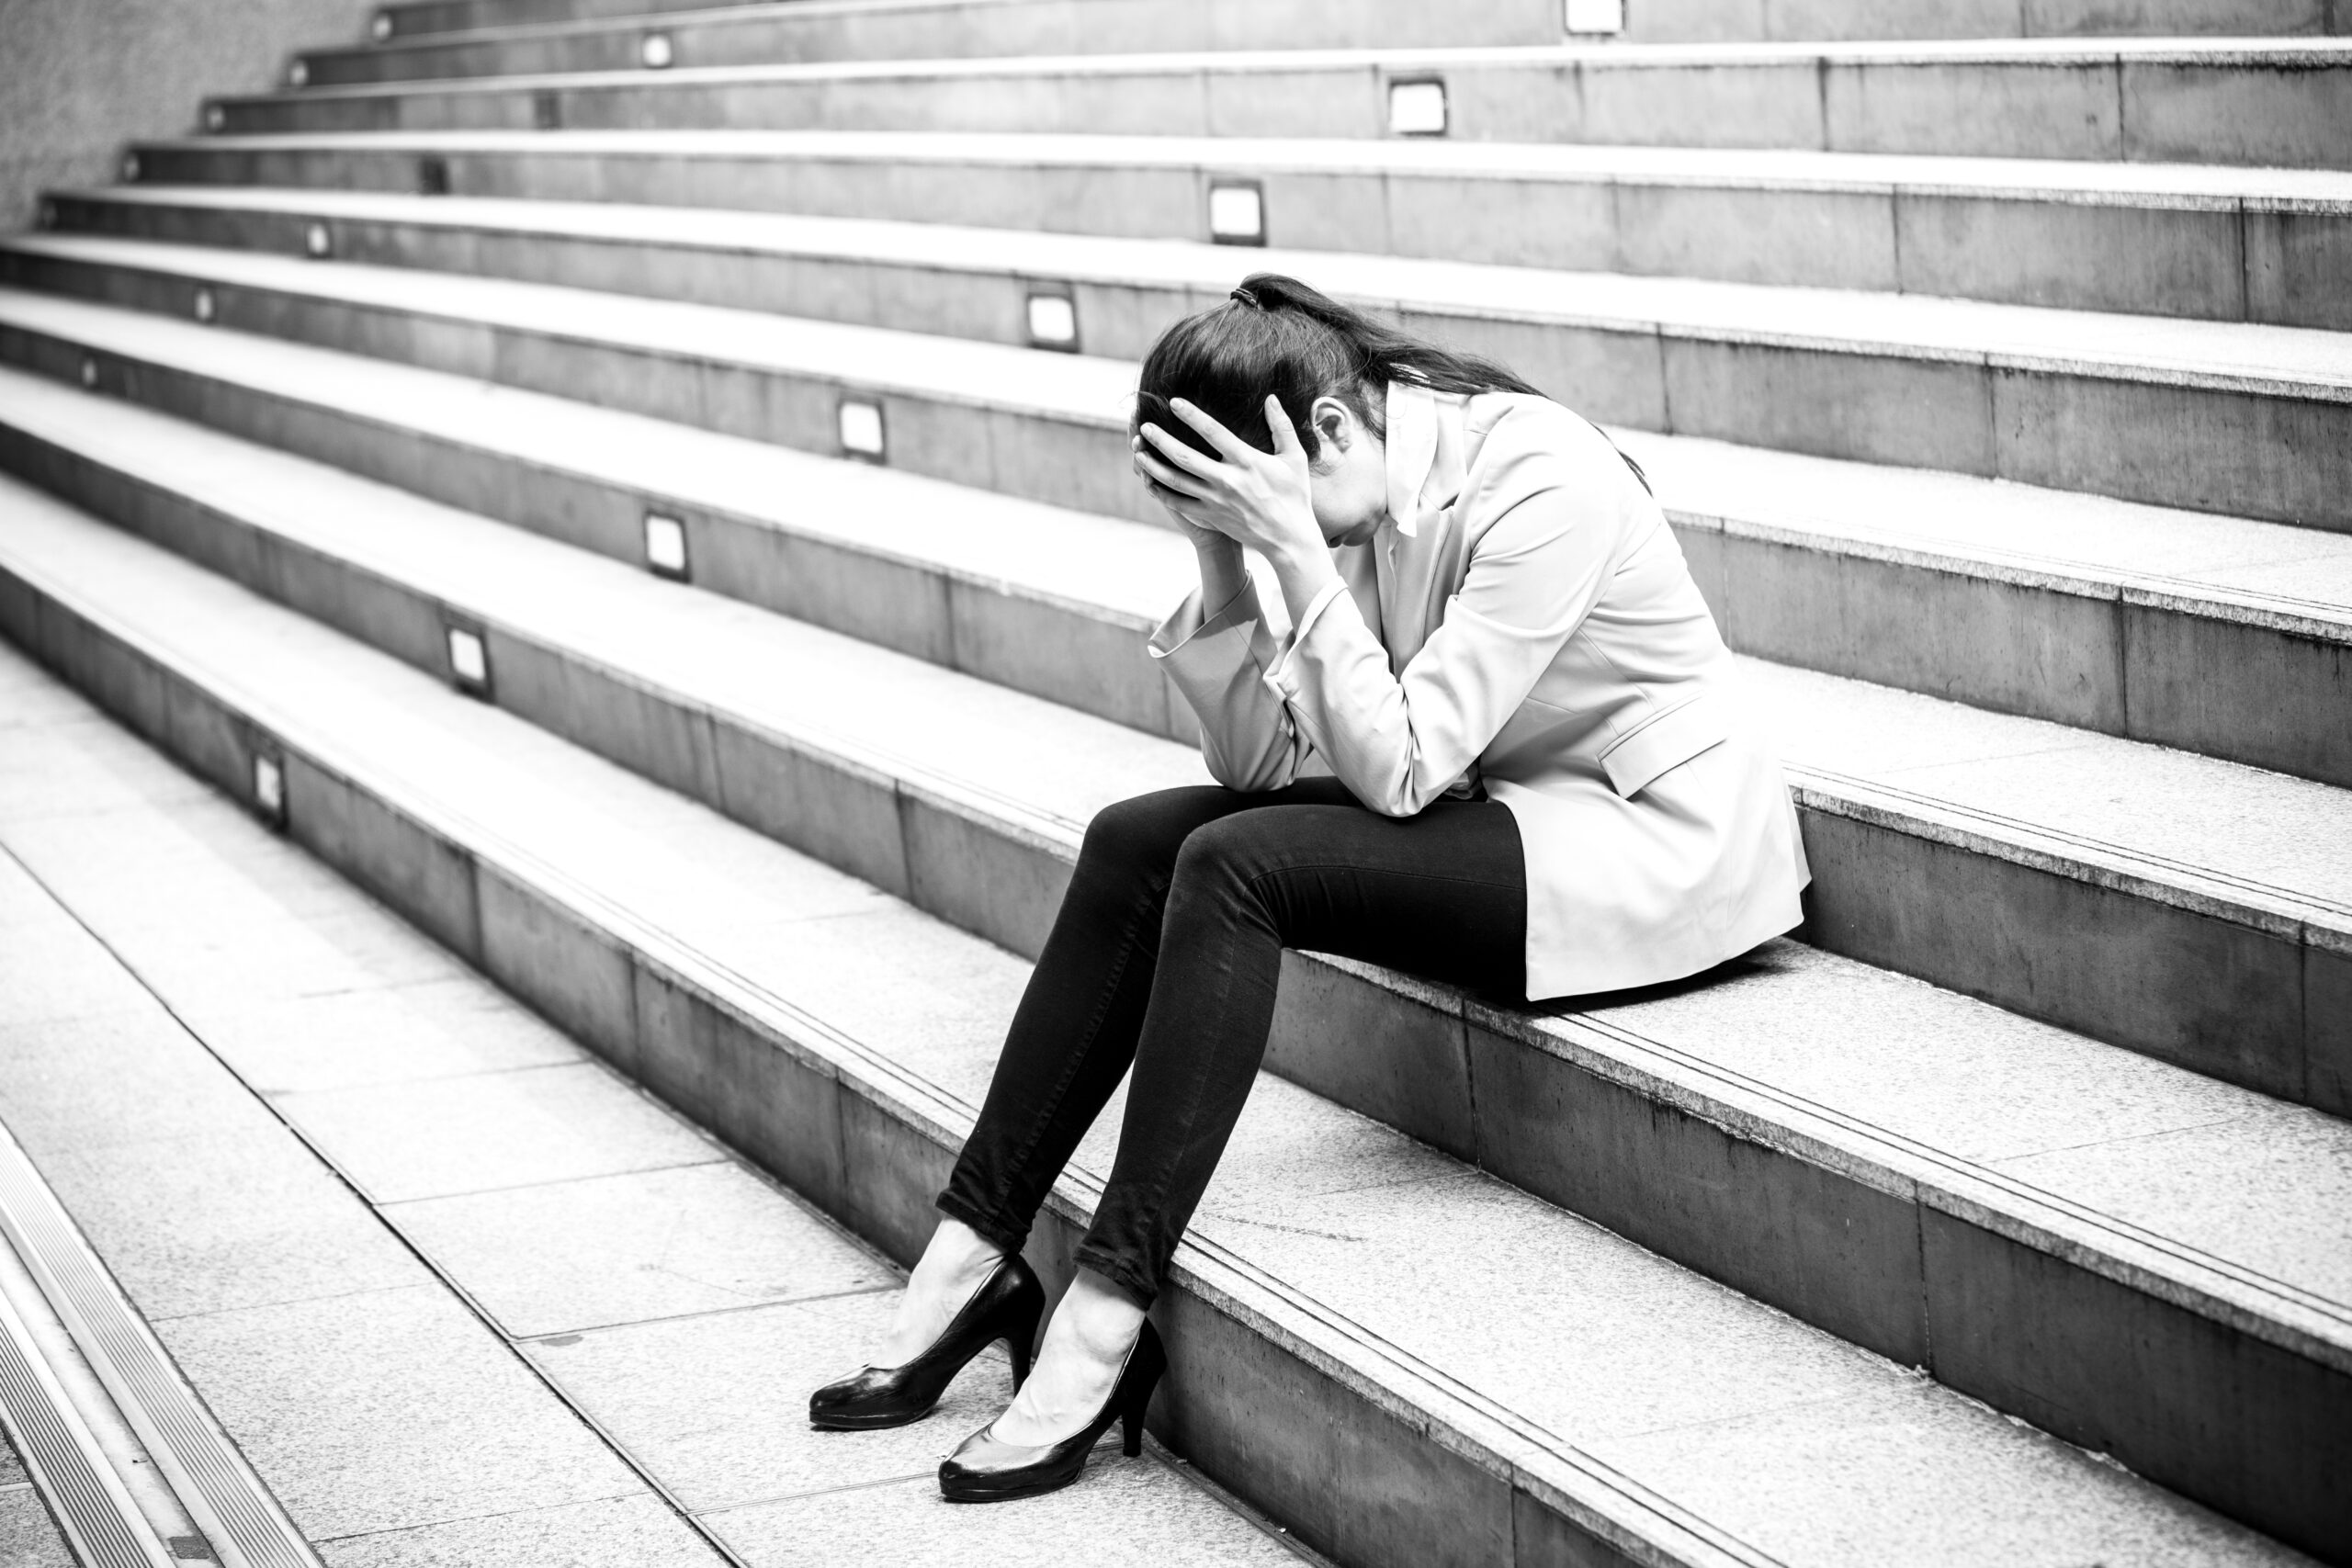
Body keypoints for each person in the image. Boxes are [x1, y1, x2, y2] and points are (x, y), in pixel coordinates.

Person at [808, 273, 1811, 1503]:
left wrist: (1295, 549)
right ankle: (971, 1255)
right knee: (1140, 836)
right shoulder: (1361, 486)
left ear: (1326, 431)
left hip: (1642, 843)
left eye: (1251, 496)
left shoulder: (1545, 481)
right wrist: (1225, 564)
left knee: (1238, 867)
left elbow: (1395, 771)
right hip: (1497, 812)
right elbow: (1263, 763)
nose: (1290, 534)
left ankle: (1107, 1312)